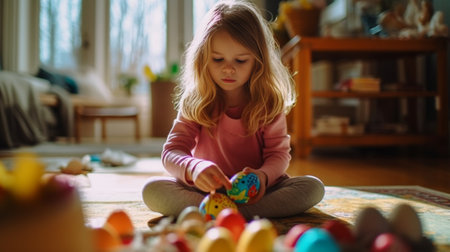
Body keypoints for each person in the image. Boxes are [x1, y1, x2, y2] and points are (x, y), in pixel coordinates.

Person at [142, 0, 324, 220]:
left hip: (257, 193)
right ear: (203, 59)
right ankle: (231, 211)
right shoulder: (195, 101)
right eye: (218, 59)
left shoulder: (267, 102)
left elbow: (278, 155)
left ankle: (222, 213)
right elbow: (171, 152)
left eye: (240, 60)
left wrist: (263, 177)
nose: (228, 68)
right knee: (152, 190)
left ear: (258, 62)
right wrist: (194, 168)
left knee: (313, 187)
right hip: (205, 192)